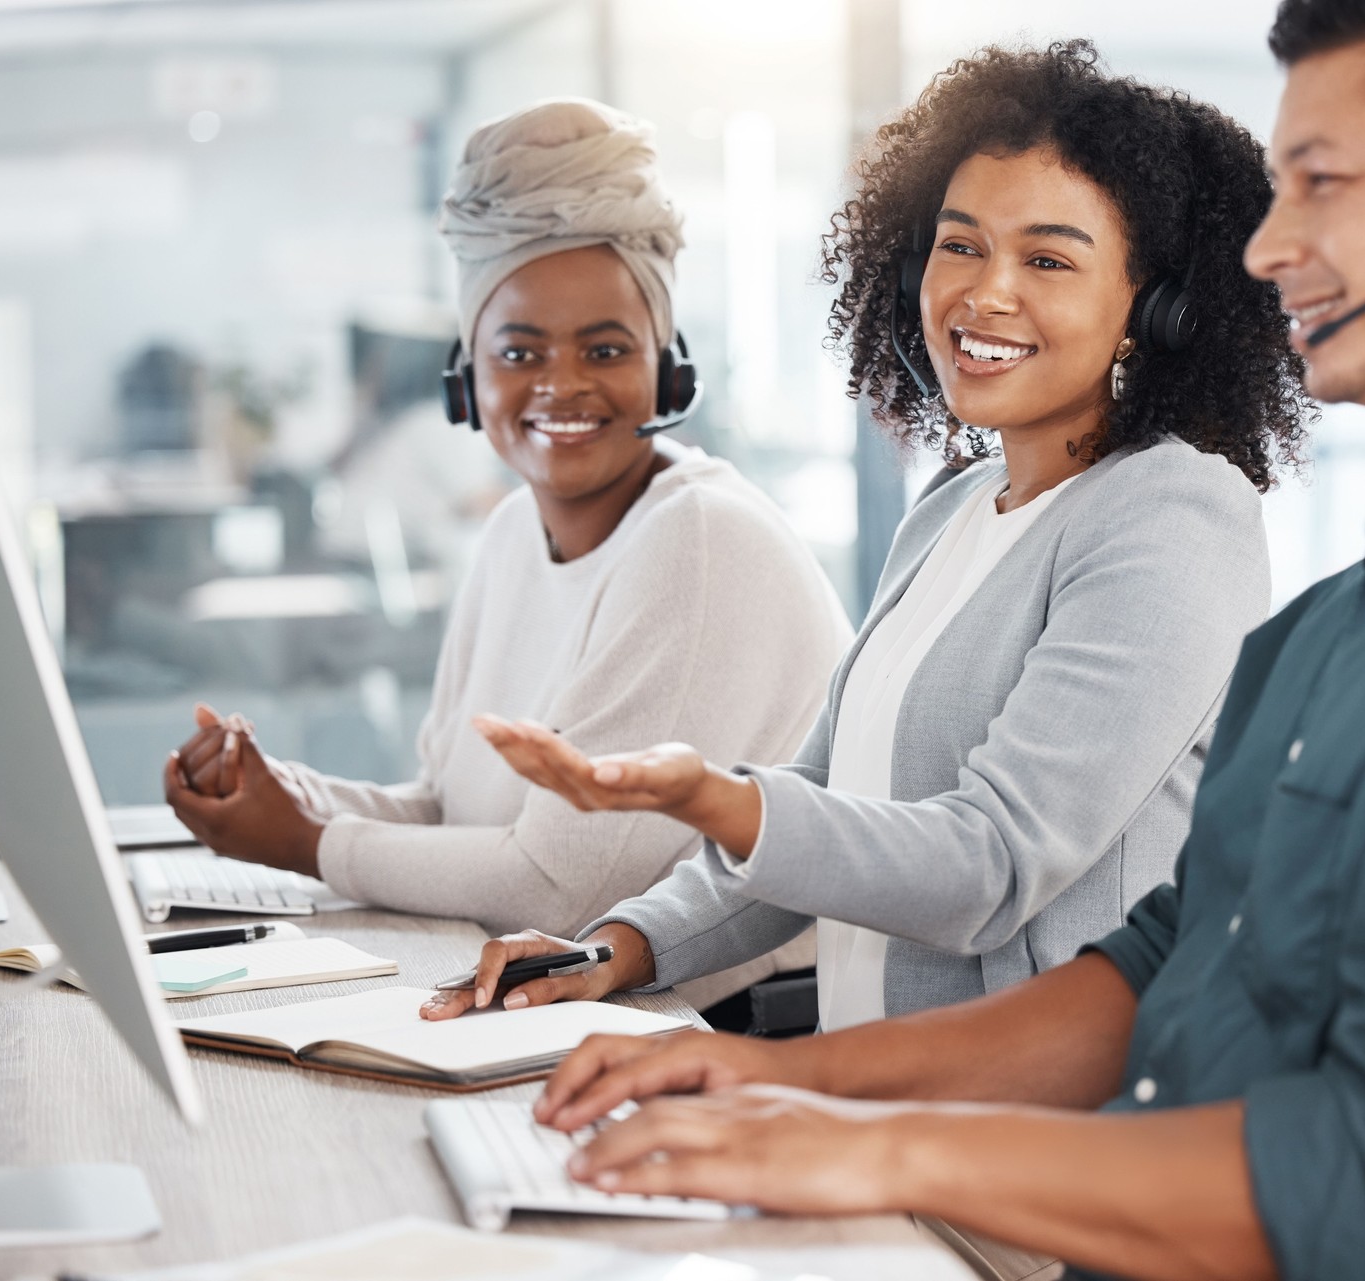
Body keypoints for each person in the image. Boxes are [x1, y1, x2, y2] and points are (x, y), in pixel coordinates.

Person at [452, 7, 1365, 1281]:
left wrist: (868, 1142)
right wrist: (792, 1088)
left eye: (1324, 182)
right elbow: (1164, 962)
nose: (1264, 244)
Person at [424, 43, 1306, 1029]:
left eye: (1048, 259)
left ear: (1154, 313)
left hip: (1033, 1143)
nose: (986, 293)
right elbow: (820, 817)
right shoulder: (954, 508)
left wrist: (713, 798)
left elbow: (990, 863)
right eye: (961, 244)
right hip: (875, 1119)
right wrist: (618, 947)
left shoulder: (1176, 515)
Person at [162, 100, 850, 1008]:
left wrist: (304, 841)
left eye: (605, 349)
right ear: (468, 376)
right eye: (520, 351)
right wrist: (286, 794)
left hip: (717, 1033)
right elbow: (451, 814)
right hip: (577, 1010)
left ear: (666, 366)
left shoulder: (699, 538)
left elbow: (559, 891)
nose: (561, 385)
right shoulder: (509, 533)